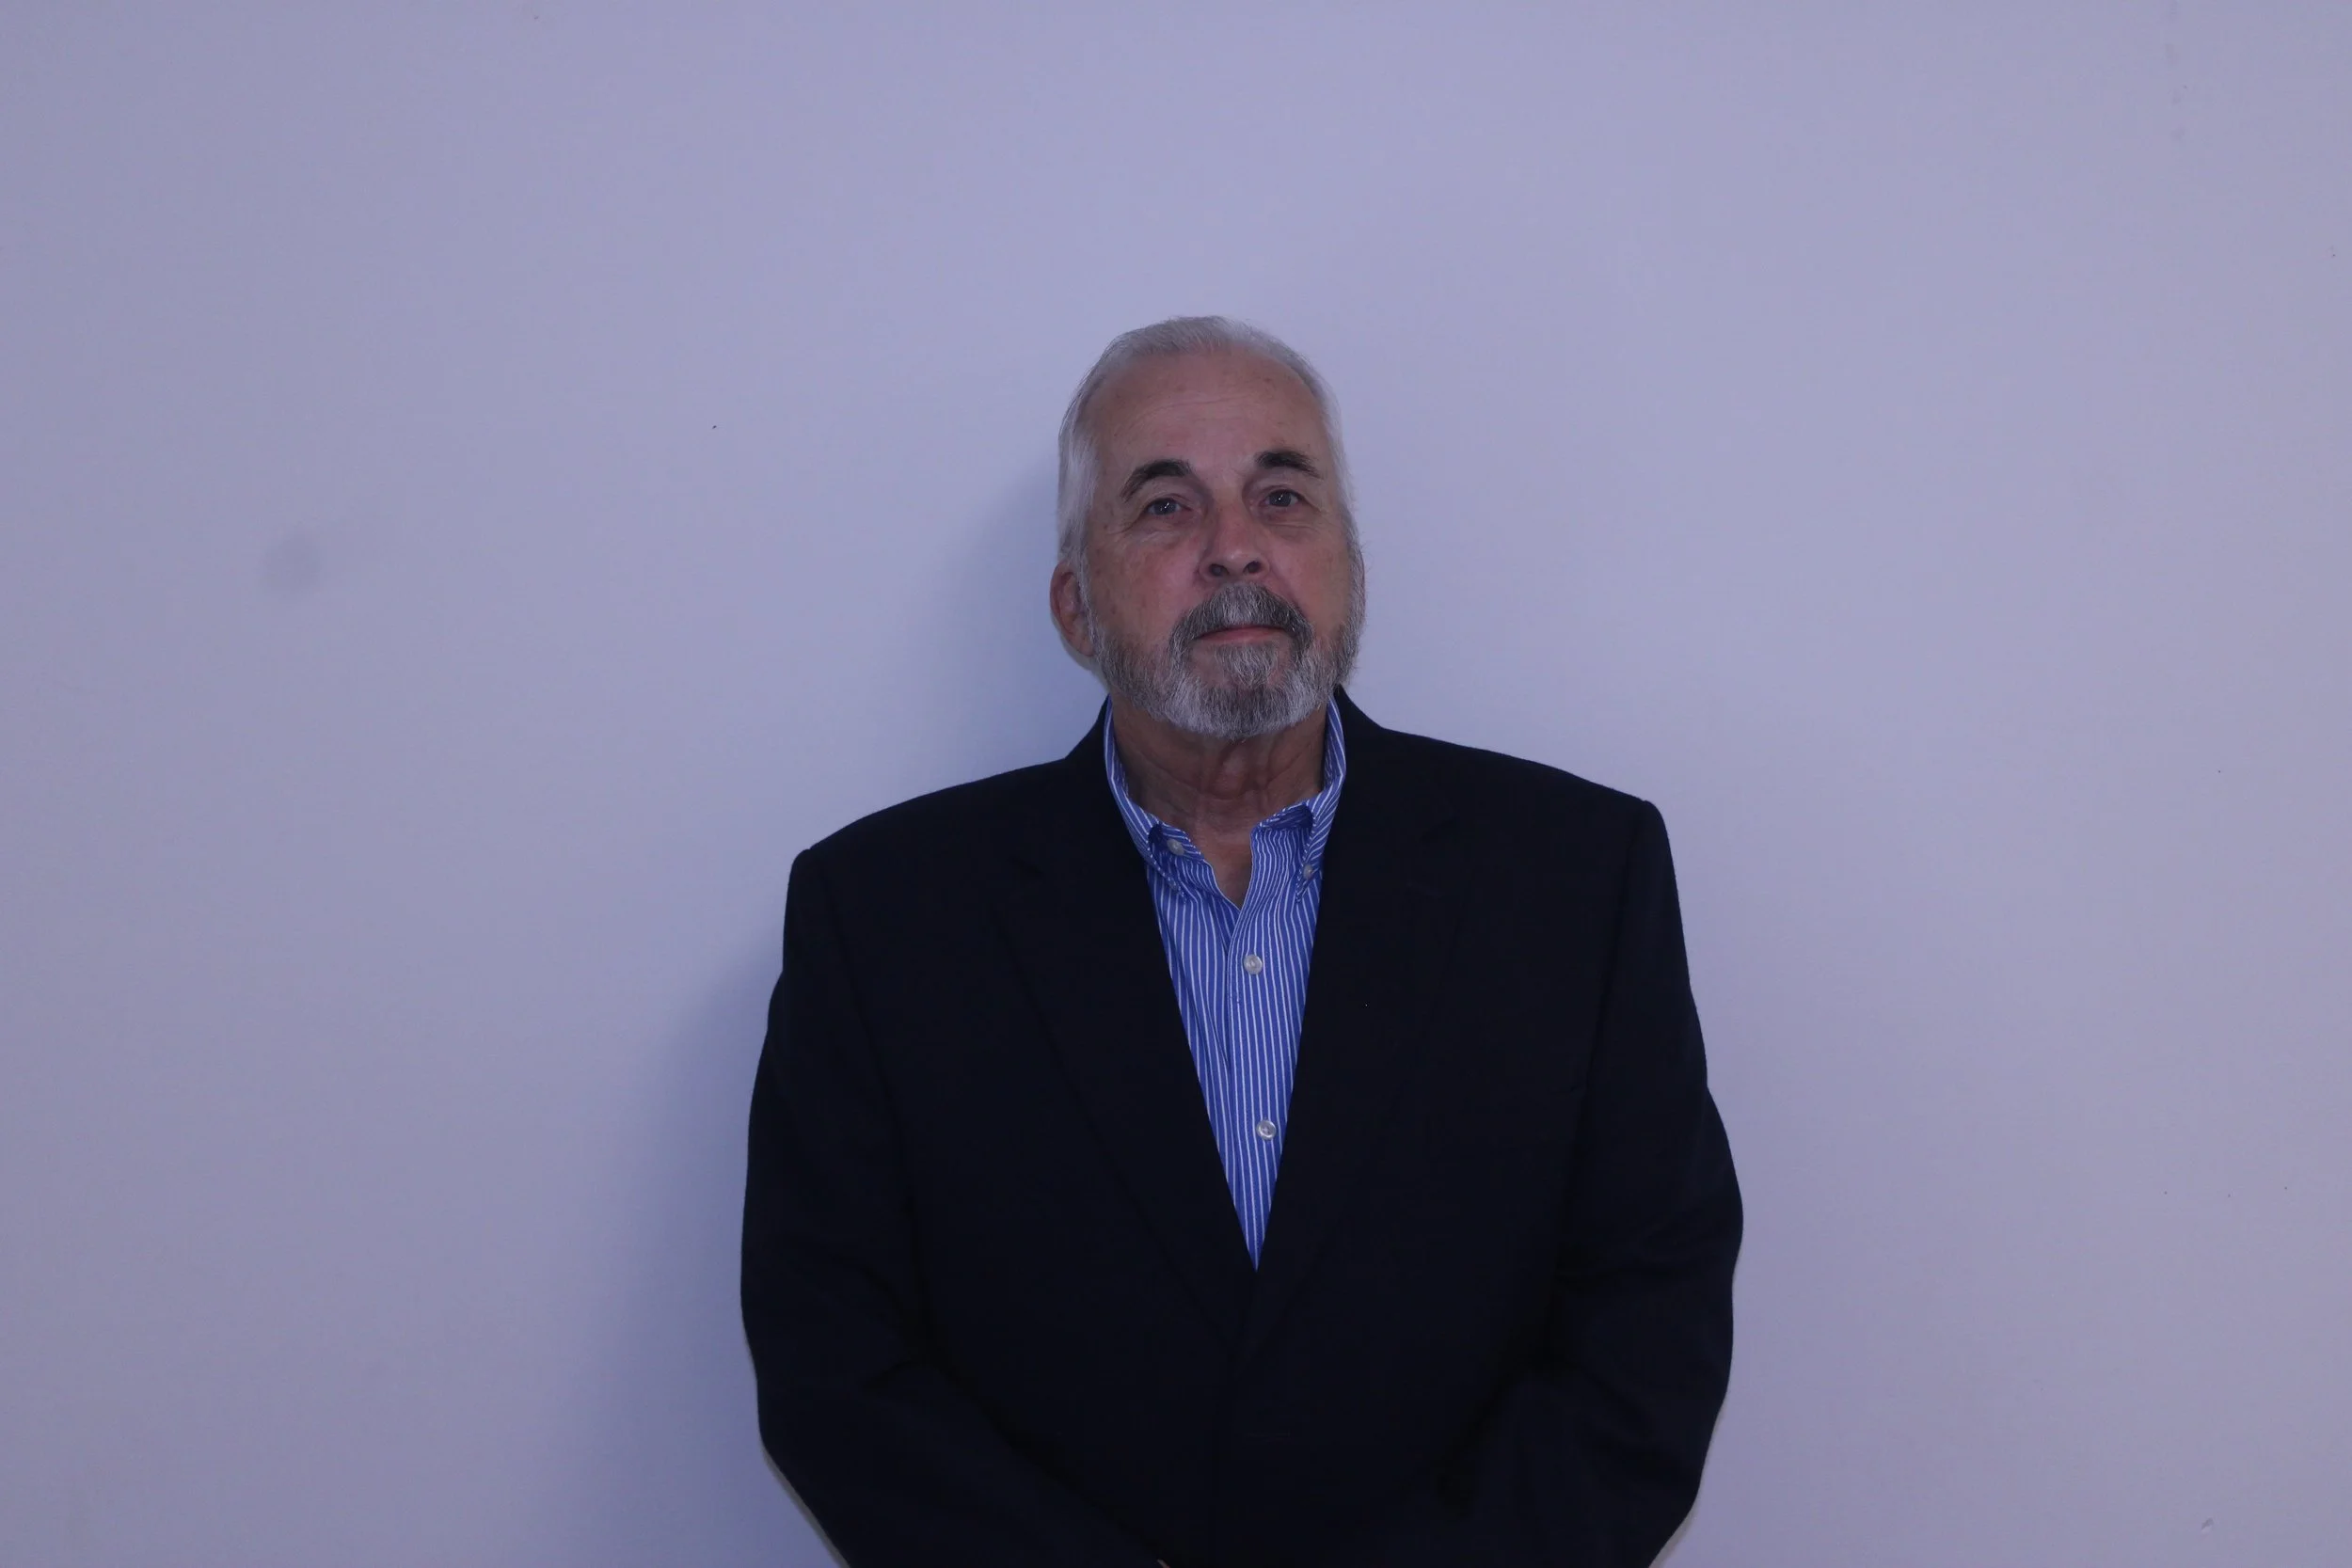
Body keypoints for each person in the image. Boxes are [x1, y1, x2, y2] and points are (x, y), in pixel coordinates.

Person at [740, 317, 1741, 1567]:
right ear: (1073, 601)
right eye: (1164, 506)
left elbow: (1649, 1328)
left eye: (1282, 494)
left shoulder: (1577, 881)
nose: (1234, 549)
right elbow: (836, 1361)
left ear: (1349, 568)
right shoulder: (884, 920)